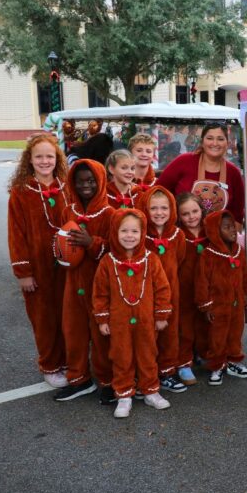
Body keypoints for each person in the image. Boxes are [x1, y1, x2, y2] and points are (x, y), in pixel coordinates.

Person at [93, 209, 173, 418]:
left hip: (146, 321)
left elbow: (162, 288)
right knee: (121, 356)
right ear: (115, 232)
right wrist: (102, 319)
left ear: (142, 233)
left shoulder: (151, 259)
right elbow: (100, 293)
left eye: (135, 231)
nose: (129, 236)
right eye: (124, 231)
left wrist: (161, 315)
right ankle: (124, 394)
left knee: (148, 354)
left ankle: (150, 390)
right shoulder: (107, 262)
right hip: (119, 322)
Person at [7, 134, 70, 388]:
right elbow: (16, 234)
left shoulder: (67, 187)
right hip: (38, 266)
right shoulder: (21, 192)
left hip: (66, 266)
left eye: (50, 156)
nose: (45, 161)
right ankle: (51, 364)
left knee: (67, 315)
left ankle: (69, 360)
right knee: (44, 318)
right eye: (39, 157)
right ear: (29, 161)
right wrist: (23, 272)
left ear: (57, 160)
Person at [54, 159, 115, 403]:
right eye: (80, 182)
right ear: (72, 184)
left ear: (100, 182)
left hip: (99, 286)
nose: (85, 186)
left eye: (91, 181)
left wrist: (92, 244)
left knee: (101, 334)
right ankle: (79, 378)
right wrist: (60, 251)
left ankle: (109, 380)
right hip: (73, 283)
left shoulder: (110, 213)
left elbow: (115, 249)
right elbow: (62, 241)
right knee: (73, 331)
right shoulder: (69, 211)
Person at [137, 186, 187, 393]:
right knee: (146, 334)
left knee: (169, 332)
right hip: (145, 294)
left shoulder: (177, 235)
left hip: (170, 293)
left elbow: (180, 259)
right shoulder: (141, 235)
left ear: (172, 209)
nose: (159, 213)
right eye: (154, 208)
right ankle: (145, 374)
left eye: (164, 208)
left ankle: (167, 371)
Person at [195, 210, 247, 386]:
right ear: (215, 231)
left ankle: (233, 361)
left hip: (236, 304)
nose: (233, 230)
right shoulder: (208, 255)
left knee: (235, 333)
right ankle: (217, 365)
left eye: (233, 226)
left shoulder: (238, 251)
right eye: (226, 227)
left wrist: (245, 293)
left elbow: (245, 274)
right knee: (217, 336)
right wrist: (206, 305)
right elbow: (201, 281)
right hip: (217, 305)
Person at [158, 122, 245, 223]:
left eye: (220, 139)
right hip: (182, 234)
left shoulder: (233, 173)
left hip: (218, 237)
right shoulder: (183, 161)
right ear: (202, 141)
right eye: (210, 138)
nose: (215, 143)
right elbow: (159, 191)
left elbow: (237, 215)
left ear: (227, 143)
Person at [175, 192, 209, 385]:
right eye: (185, 214)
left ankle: (204, 354)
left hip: (205, 288)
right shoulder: (179, 235)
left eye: (195, 211)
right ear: (179, 216)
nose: (191, 217)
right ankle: (184, 363)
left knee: (204, 323)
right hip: (184, 288)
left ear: (201, 211)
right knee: (185, 328)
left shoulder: (209, 232)